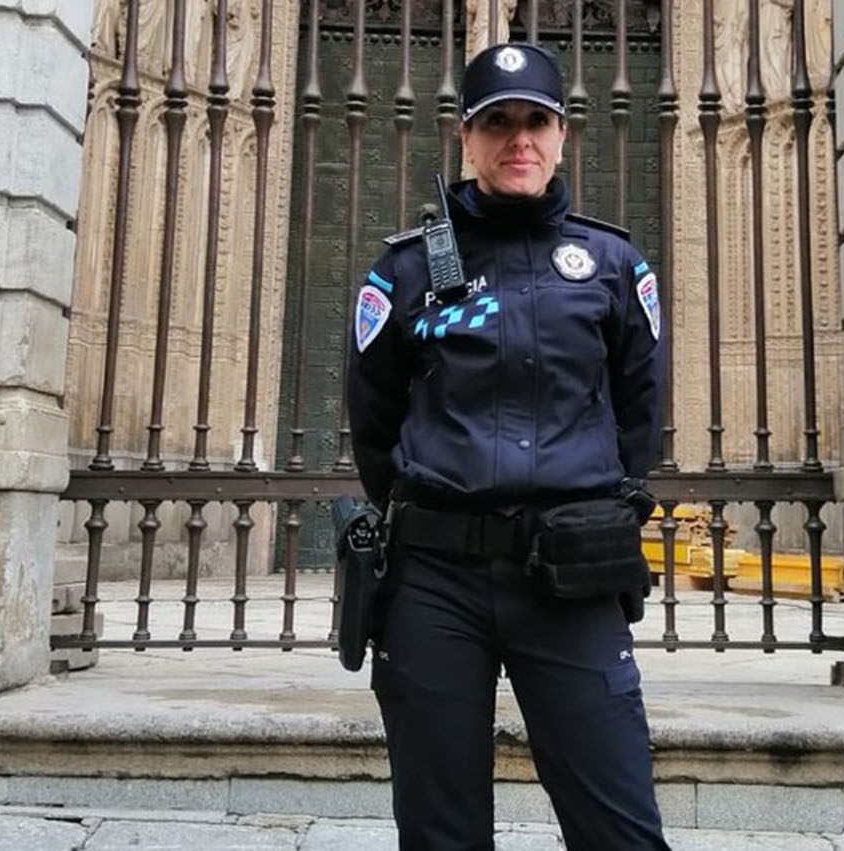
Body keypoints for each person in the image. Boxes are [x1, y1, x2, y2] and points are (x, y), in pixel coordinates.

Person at [345, 41, 671, 851]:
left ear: (562, 135)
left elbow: (640, 410)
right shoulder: (407, 271)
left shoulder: (611, 264)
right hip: (435, 583)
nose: (517, 140)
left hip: (569, 578)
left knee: (619, 827)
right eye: (498, 123)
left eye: (535, 121)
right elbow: (372, 420)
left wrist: (589, 500)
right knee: (439, 830)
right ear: (466, 138)